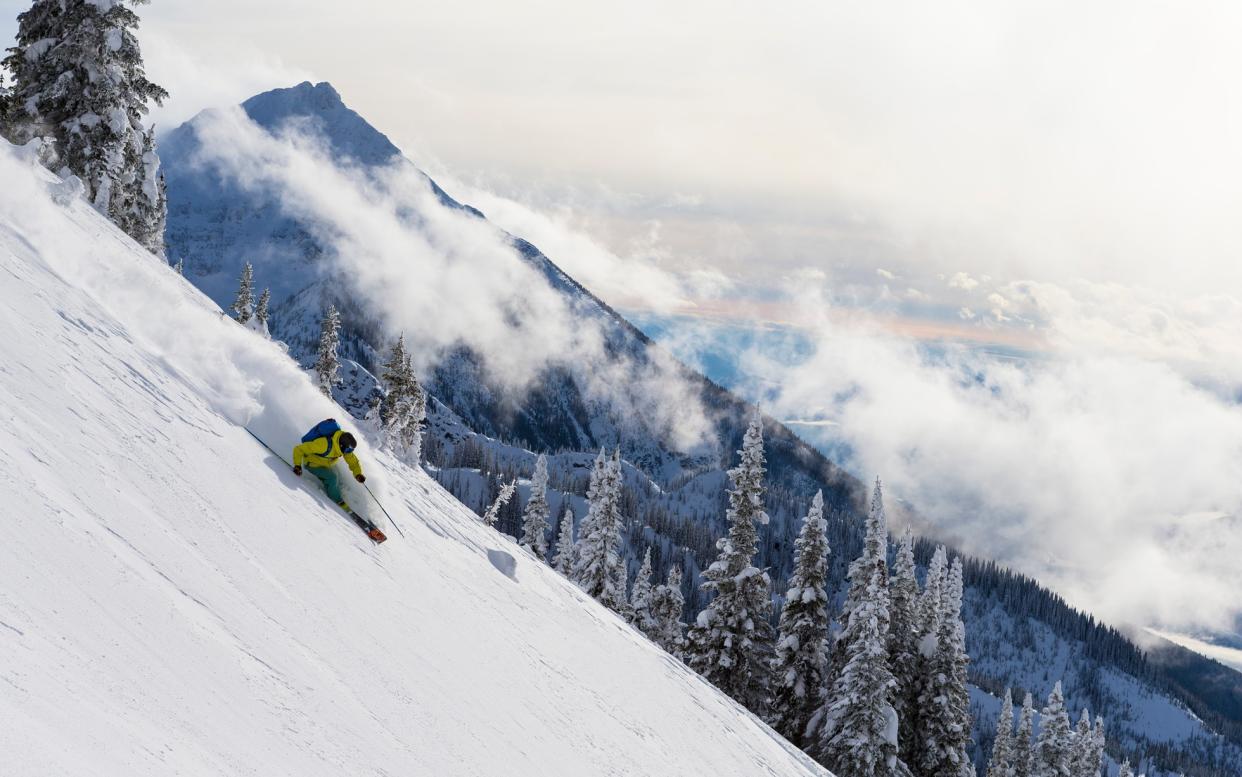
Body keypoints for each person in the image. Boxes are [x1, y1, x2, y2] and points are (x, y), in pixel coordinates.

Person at [293, 425, 384, 542]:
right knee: (332, 478)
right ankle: (335, 499)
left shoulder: (344, 447)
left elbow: (353, 461)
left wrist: (358, 474)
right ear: (341, 445)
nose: (348, 453)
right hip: (312, 464)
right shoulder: (323, 444)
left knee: (338, 477)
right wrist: (297, 465)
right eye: (347, 450)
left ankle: (335, 490)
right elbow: (299, 449)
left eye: (350, 451)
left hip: (326, 463)